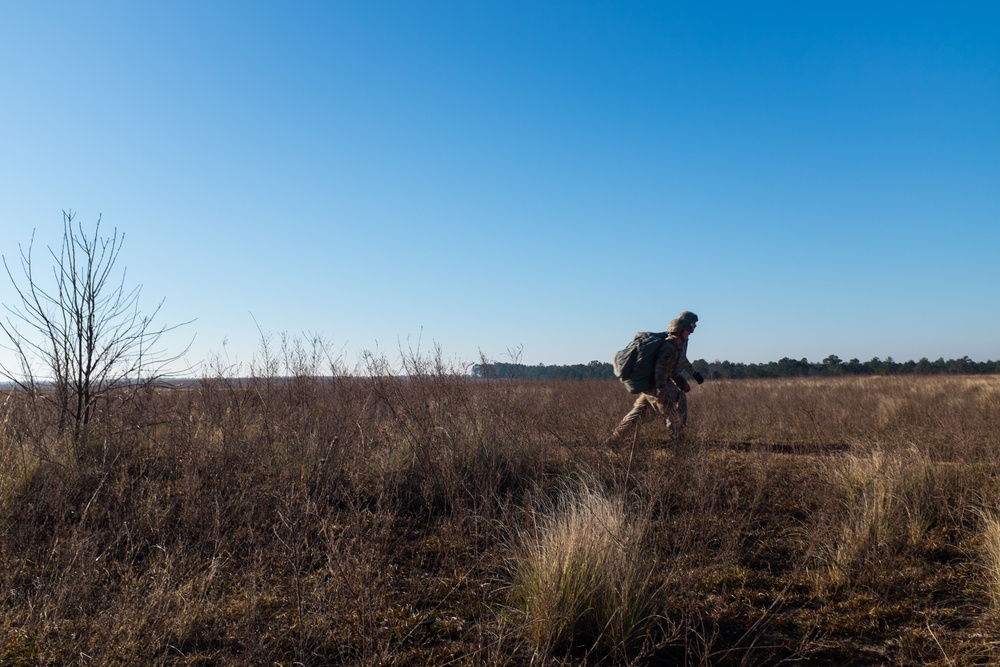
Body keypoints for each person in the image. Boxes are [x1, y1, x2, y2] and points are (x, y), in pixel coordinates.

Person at [610, 317, 695, 443]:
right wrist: (661, 392)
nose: (690, 332)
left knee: (638, 413)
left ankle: (614, 439)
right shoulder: (669, 348)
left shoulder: (674, 346)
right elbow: (660, 370)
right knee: (671, 413)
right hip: (655, 387)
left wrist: (681, 382)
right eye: (688, 330)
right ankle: (678, 442)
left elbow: (670, 371)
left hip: (651, 386)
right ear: (679, 331)